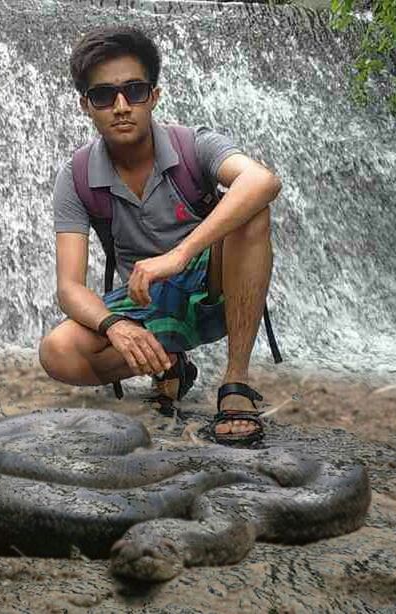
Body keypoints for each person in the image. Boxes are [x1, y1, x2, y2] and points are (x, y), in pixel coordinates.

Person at [39, 26, 281, 446]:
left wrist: (180, 255)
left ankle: (235, 385)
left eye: (134, 91)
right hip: (146, 304)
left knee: (251, 210)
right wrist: (113, 325)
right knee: (57, 352)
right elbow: (69, 287)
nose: (120, 106)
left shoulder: (194, 145)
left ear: (154, 96)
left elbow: (262, 180)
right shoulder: (75, 177)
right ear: (86, 106)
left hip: (217, 289)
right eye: (103, 96)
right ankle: (168, 364)